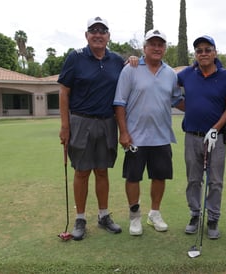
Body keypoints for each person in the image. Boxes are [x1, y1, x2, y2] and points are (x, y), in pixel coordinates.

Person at [58, 16, 127, 240]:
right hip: (81, 120)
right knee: (82, 171)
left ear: (108, 36)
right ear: (86, 35)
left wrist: (135, 58)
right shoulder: (75, 58)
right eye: (93, 30)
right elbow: (64, 91)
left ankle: (104, 215)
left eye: (102, 31)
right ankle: (80, 218)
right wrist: (65, 126)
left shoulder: (117, 60)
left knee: (102, 170)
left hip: (107, 121)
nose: (98, 34)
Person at [113, 29, 184, 236]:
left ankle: (154, 213)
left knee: (159, 177)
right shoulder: (130, 69)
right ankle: (135, 216)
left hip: (161, 136)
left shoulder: (170, 73)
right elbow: (119, 103)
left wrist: (203, 110)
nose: (156, 47)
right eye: (152, 44)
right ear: (144, 48)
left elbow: (176, 100)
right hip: (135, 136)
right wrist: (123, 132)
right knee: (133, 177)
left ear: (164, 49)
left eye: (160, 44)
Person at [177, 35, 226, 239]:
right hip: (192, 136)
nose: (203, 53)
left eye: (207, 49)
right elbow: (167, 78)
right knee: (193, 179)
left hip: (216, 138)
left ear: (215, 52)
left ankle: (213, 218)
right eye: (199, 50)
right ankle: (195, 214)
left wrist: (215, 128)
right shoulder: (188, 74)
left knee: (215, 181)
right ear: (196, 55)